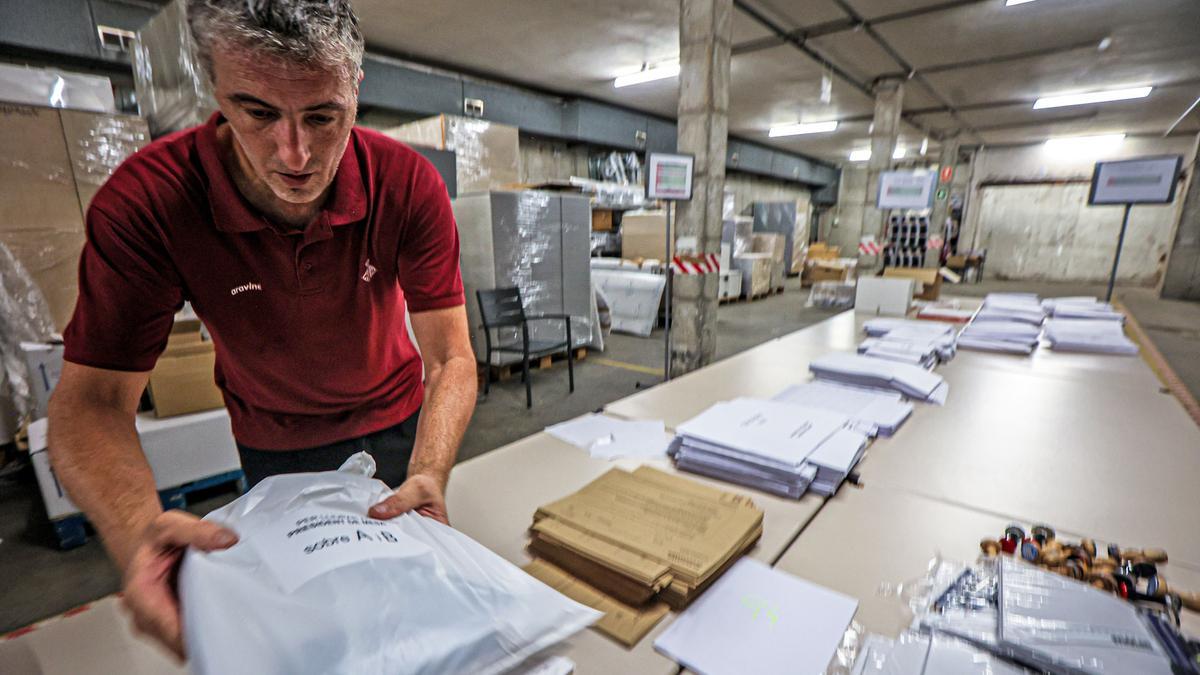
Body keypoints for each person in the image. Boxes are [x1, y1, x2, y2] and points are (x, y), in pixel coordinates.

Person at [46, 0, 477, 659]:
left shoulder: (406, 184)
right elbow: (93, 400)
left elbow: (450, 357)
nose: (295, 153)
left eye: (322, 116)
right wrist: (136, 529)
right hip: (273, 440)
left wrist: (430, 469)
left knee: (410, 612)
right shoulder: (151, 203)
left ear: (356, 90)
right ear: (214, 88)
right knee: (301, 621)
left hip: (398, 423)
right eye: (259, 112)